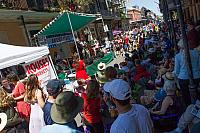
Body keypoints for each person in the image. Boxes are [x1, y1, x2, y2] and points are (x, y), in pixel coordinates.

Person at [174, 39, 200, 106]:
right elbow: (199, 65)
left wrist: (176, 76)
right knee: (196, 93)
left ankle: (189, 108)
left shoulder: (178, 56)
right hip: (196, 76)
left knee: (186, 96)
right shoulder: (196, 53)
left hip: (183, 78)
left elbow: (177, 71)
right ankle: (196, 107)